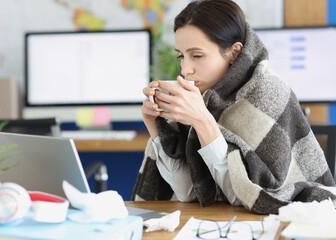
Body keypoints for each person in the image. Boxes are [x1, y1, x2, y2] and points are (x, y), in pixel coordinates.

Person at [132, 0, 336, 214]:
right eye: (181, 56)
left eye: (197, 56)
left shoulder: (269, 92)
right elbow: (188, 193)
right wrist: (155, 126)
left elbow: (252, 198)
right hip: (214, 224)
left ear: (234, 53)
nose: (185, 69)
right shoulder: (202, 96)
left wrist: (203, 122)